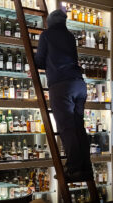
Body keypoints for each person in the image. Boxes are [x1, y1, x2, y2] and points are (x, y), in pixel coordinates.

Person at [34, 9, 93, 182]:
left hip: (61, 86)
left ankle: (74, 170)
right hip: (79, 84)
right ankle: (86, 169)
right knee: (78, 128)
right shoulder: (70, 36)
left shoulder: (46, 35)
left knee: (67, 128)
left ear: (50, 22)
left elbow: (38, 61)